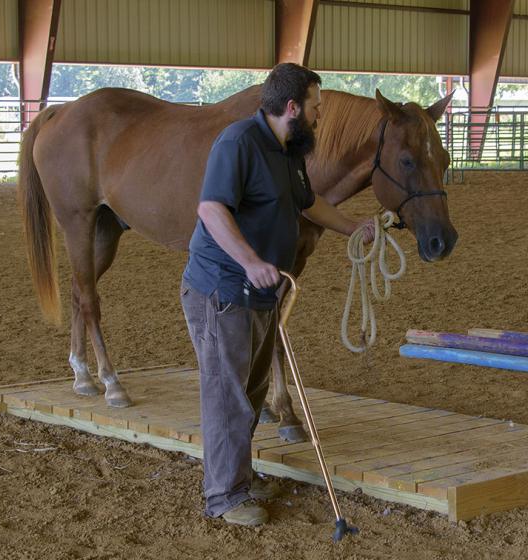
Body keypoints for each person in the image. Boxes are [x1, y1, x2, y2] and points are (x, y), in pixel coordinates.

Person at [180, 63, 375, 527]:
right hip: (223, 291)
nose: (320, 116)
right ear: (292, 108)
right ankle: (224, 496)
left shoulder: (288, 151)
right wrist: (250, 260)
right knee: (228, 395)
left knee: (251, 389)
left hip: (263, 292)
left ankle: (239, 477)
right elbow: (211, 209)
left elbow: (308, 203)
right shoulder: (239, 143)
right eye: (316, 107)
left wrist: (355, 227)